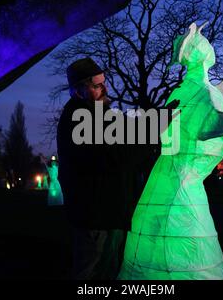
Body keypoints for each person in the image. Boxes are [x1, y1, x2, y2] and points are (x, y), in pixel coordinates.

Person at [57, 57, 177, 280]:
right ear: (77, 91)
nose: (104, 88)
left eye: (104, 82)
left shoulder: (97, 114)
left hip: (108, 214)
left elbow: (130, 132)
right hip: (95, 218)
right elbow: (120, 155)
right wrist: (158, 127)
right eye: (96, 85)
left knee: (108, 273)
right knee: (91, 275)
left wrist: (160, 117)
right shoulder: (80, 120)